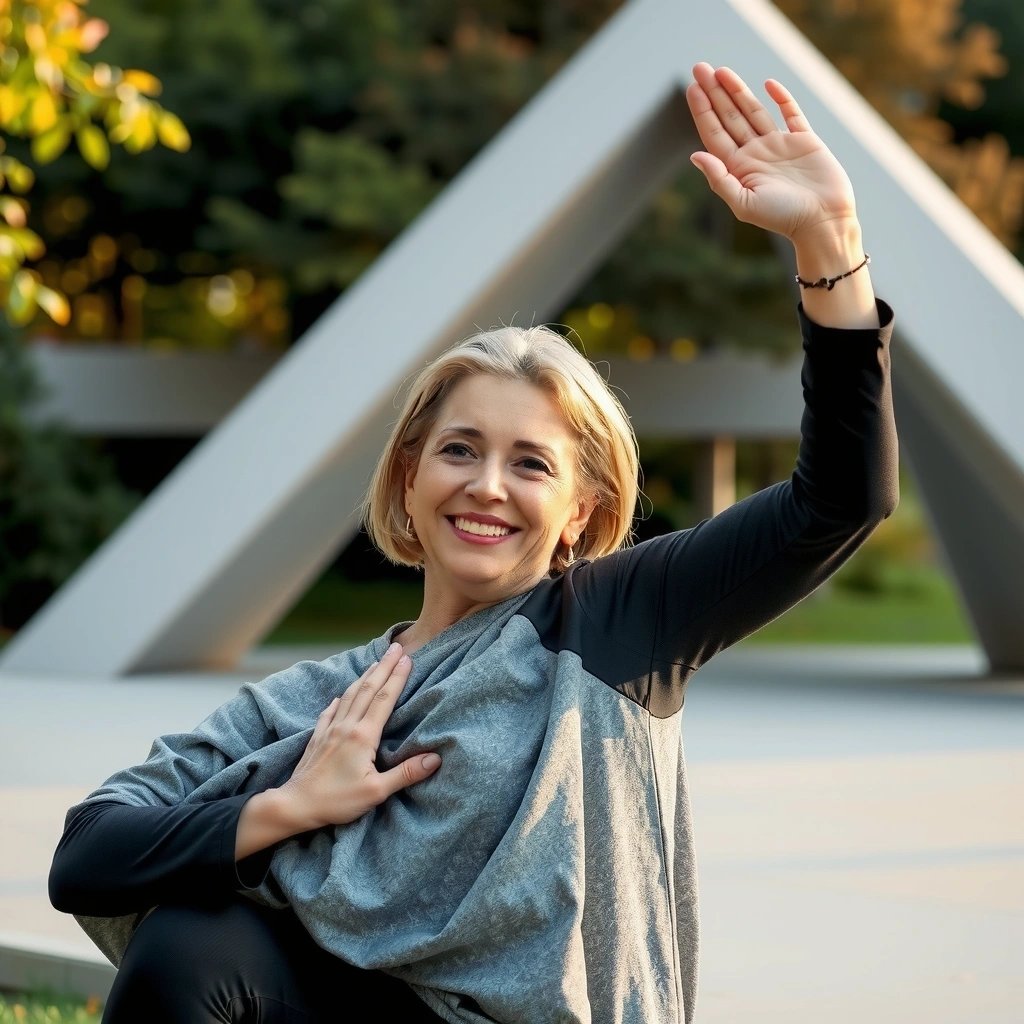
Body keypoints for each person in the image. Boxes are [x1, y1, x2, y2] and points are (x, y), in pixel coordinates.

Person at [48, 63, 898, 1024]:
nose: (487, 485)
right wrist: (296, 805)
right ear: (410, 475)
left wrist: (831, 244)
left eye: (531, 464)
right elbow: (87, 852)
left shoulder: (618, 623)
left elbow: (838, 503)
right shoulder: (323, 707)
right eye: (460, 449)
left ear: (580, 509)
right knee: (192, 940)